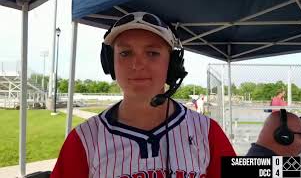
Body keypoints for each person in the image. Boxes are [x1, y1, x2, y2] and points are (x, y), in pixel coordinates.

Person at [51, 12, 235, 178]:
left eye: (152, 53)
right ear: (110, 63)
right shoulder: (83, 140)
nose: (138, 64)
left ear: (172, 65)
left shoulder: (207, 132)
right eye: (125, 53)